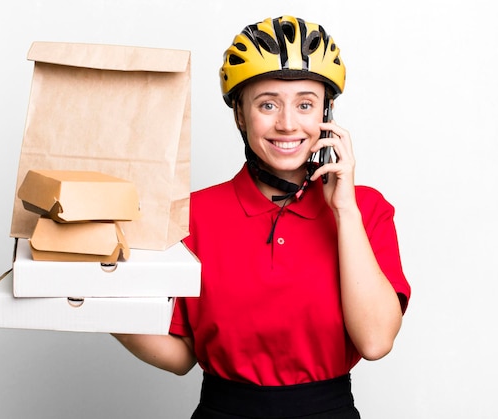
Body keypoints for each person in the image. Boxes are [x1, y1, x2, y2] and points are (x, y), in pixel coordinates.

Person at [113, 15, 411, 418]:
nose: (287, 123)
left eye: (305, 104)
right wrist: (95, 303)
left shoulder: (366, 209)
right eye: (267, 104)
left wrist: (343, 210)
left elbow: (375, 342)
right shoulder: (192, 214)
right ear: (240, 114)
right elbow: (181, 355)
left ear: (328, 113)